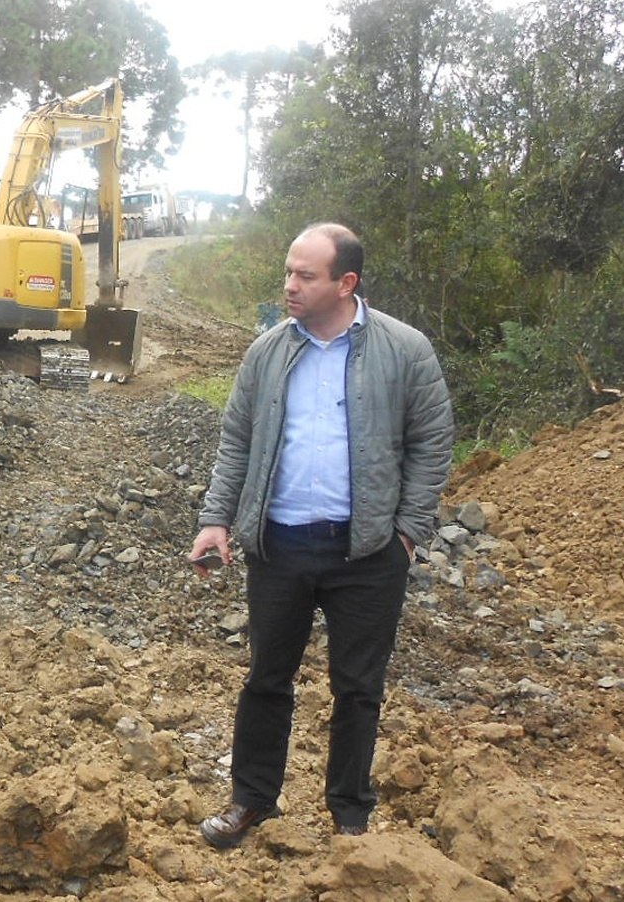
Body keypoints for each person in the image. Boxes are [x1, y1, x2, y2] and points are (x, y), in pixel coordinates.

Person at [189, 222, 453, 846]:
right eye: (288, 272)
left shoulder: (404, 350)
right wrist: (216, 518)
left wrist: (408, 533)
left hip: (366, 553)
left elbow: (432, 443)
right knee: (265, 679)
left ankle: (350, 815)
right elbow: (237, 441)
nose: (290, 286)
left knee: (358, 688)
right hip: (279, 547)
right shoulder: (269, 351)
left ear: (346, 282)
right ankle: (251, 801)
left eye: (306, 276)